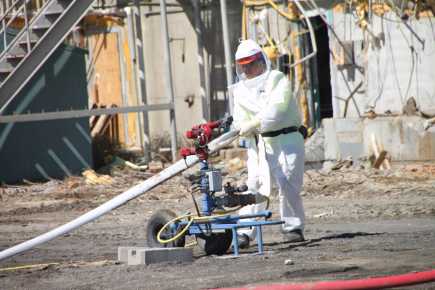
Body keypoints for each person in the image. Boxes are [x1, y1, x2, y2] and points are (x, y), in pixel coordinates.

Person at [229, 39, 306, 248]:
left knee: (288, 183)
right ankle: (245, 231)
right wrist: (243, 126)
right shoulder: (240, 90)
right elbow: (238, 118)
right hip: (259, 143)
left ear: (261, 61)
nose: (248, 69)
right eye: (243, 66)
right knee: (254, 184)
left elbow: (278, 111)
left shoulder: (276, 79)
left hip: (286, 140)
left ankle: (293, 227)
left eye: (251, 64)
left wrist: (255, 122)